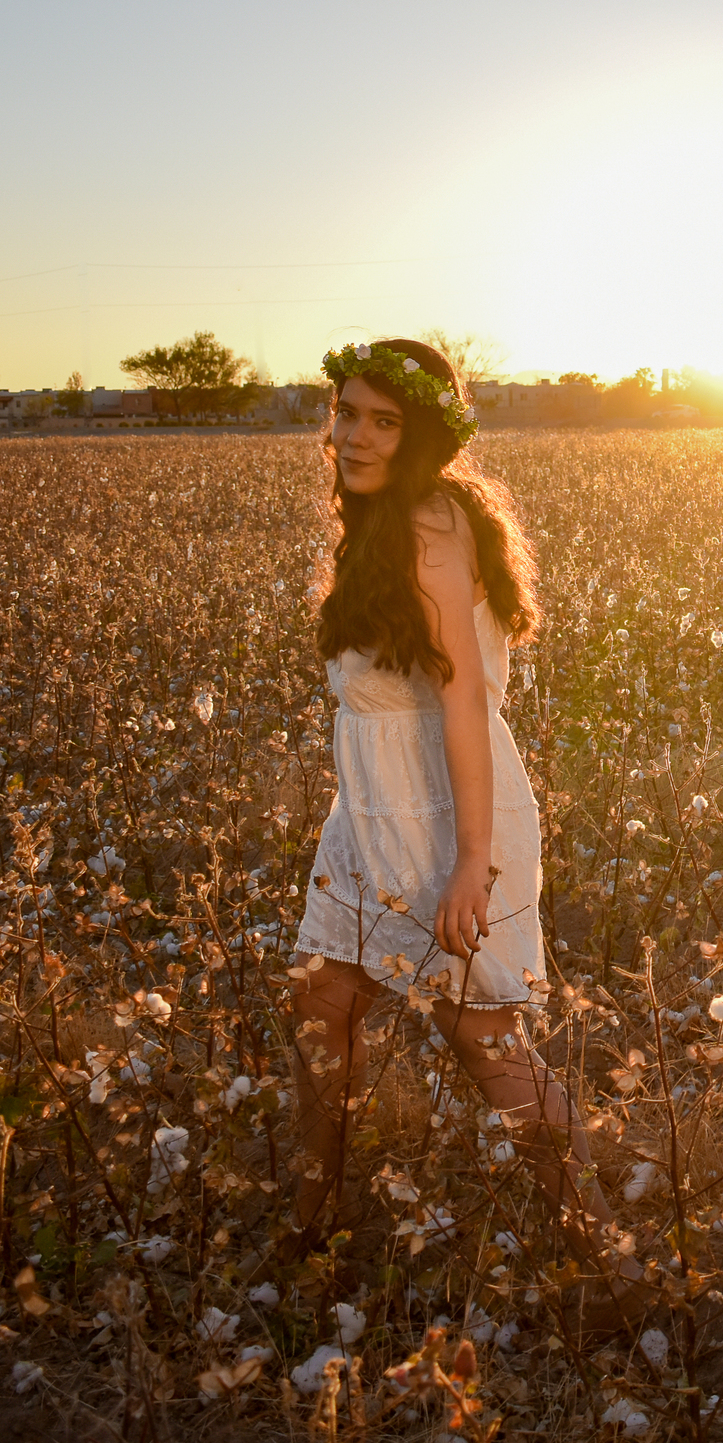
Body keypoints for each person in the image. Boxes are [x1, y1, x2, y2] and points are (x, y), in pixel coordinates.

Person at [279, 337, 647, 1330]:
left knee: (487, 1045)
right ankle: (311, 1231)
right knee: (320, 1008)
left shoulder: (432, 521)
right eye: (346, 413)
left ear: (424, 436)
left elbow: (462, 704)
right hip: (368, 815)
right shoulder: (374, 527)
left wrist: (470, 865)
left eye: (383, 420)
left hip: (442, 816)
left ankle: (614, 1272)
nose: (356, 435)